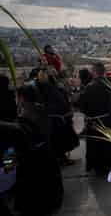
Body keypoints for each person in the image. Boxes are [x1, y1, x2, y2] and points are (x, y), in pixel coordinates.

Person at [13, 85, 64, 216]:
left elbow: (18, 147)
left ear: (22, 98)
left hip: (32, 161)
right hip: (48, 154)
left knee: (36, 194)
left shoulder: (22, 119)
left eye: (17, 96)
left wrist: (9, 163)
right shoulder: (43, 109)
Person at [74, 62, 111, 174]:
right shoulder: (109, 84)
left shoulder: (90, 87)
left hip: (95, 121)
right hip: (108, 119)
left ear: (94, 72)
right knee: (108, 143)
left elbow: (80, 104)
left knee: (96, 145)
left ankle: (100, 168)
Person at [36, 68, 79, 165]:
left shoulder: (48, 86)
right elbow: (57, 101)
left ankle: (61, 158)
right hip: (55, 118)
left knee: (58, 140)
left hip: (56, 117)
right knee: (59, 140)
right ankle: (62, 159)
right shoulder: (47, 87)